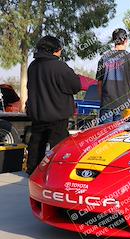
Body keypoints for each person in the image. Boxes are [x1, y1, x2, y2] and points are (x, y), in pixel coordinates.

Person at [26, 35, 81, 175]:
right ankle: (58, 172)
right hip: (58, 114)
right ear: (55, 50)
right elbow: (76, 86)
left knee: (36, 143)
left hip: (38, 113)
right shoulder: (60, 66)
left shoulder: (33, 66)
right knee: (59, 146)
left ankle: (33, 170)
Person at [96, 28, 130, 123]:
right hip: (125, 105)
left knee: (104, 135)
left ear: (114, 41)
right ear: (125, 40)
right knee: (121, 135)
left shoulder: (104, 58)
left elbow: (99, 84)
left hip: (106, 104)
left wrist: (103, 101)